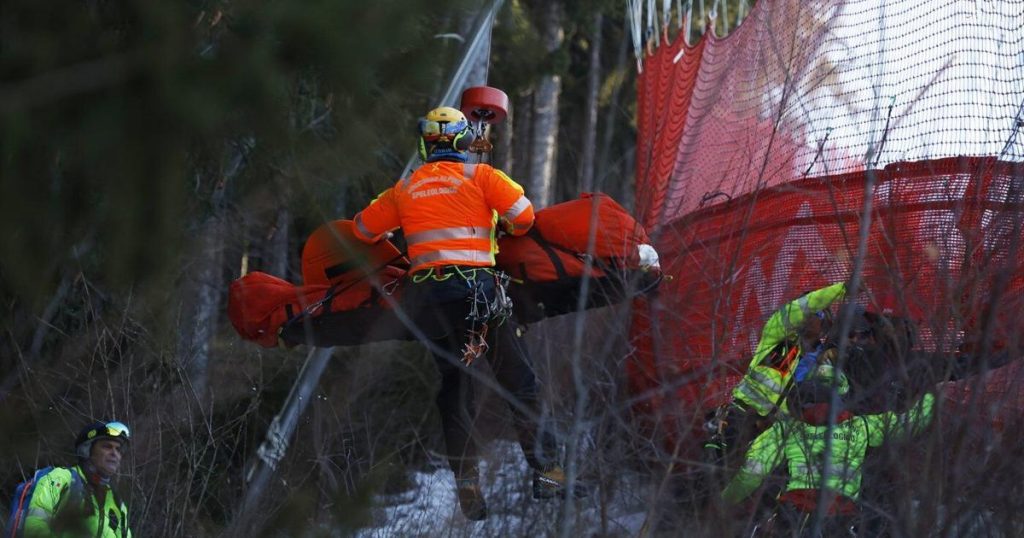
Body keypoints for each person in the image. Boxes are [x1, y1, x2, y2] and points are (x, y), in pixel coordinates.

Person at [351, 106, 578, 520]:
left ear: (425, 143)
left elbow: (362, 230)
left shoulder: (405, 188)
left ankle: (468, 486)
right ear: (462, 142)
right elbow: (524, 219)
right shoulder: (483, 177)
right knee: (519, 382)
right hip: (480, 295)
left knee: (456, 389)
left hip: (430, 304)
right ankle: (548, 476)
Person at [720, 365, 936, 537]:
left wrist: (722, 503)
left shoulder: (786, 429)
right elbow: (911, 424)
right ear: (842, 394)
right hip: (841, 518)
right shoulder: (861, 426)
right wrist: (932, 395)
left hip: (792, 517)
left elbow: (752, 473)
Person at [705, 282, 847, 467]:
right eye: (807, 310)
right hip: (740, 416)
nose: (806, 316)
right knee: (714, 469)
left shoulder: (821, 360)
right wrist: (842, 289)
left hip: (771, 433)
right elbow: (802, 307)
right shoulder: (777, 335)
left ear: (824, 326)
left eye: (816, 313)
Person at [22, 420, 132, 537]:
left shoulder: (116, 502)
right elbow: (33, 527)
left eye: (118, 449)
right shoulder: (62, 478)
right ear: (86, 451)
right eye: (107, 446)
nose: (114, 453)